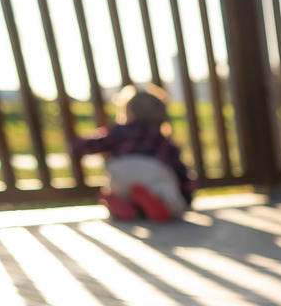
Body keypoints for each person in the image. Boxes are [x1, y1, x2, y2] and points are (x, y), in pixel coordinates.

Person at [72, 84, 194, 223]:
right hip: (153, 171)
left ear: (128, 113)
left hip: (120, 170)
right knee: (172, 203)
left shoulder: (118, 132)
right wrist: (186, 198)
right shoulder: (162, 139)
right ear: (162, 116)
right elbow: (181, 171)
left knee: (123, 191)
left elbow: (91, 144)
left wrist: (76, 144)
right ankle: (158, 202)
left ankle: (120, 203)